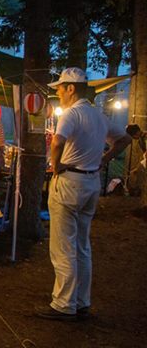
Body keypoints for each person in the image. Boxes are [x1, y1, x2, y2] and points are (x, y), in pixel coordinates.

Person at [36, 68, 130, 321]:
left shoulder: (71, 113)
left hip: (69, 182)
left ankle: (64, 304)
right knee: (82, 245)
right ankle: (81, 301)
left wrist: (55, 166)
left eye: (59, 88)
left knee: (63, 246)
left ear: (71, 88)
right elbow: (124, 139)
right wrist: (103, 159)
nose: (57, 92)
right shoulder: (98, 116)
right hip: (91, 182)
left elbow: (57, 142)